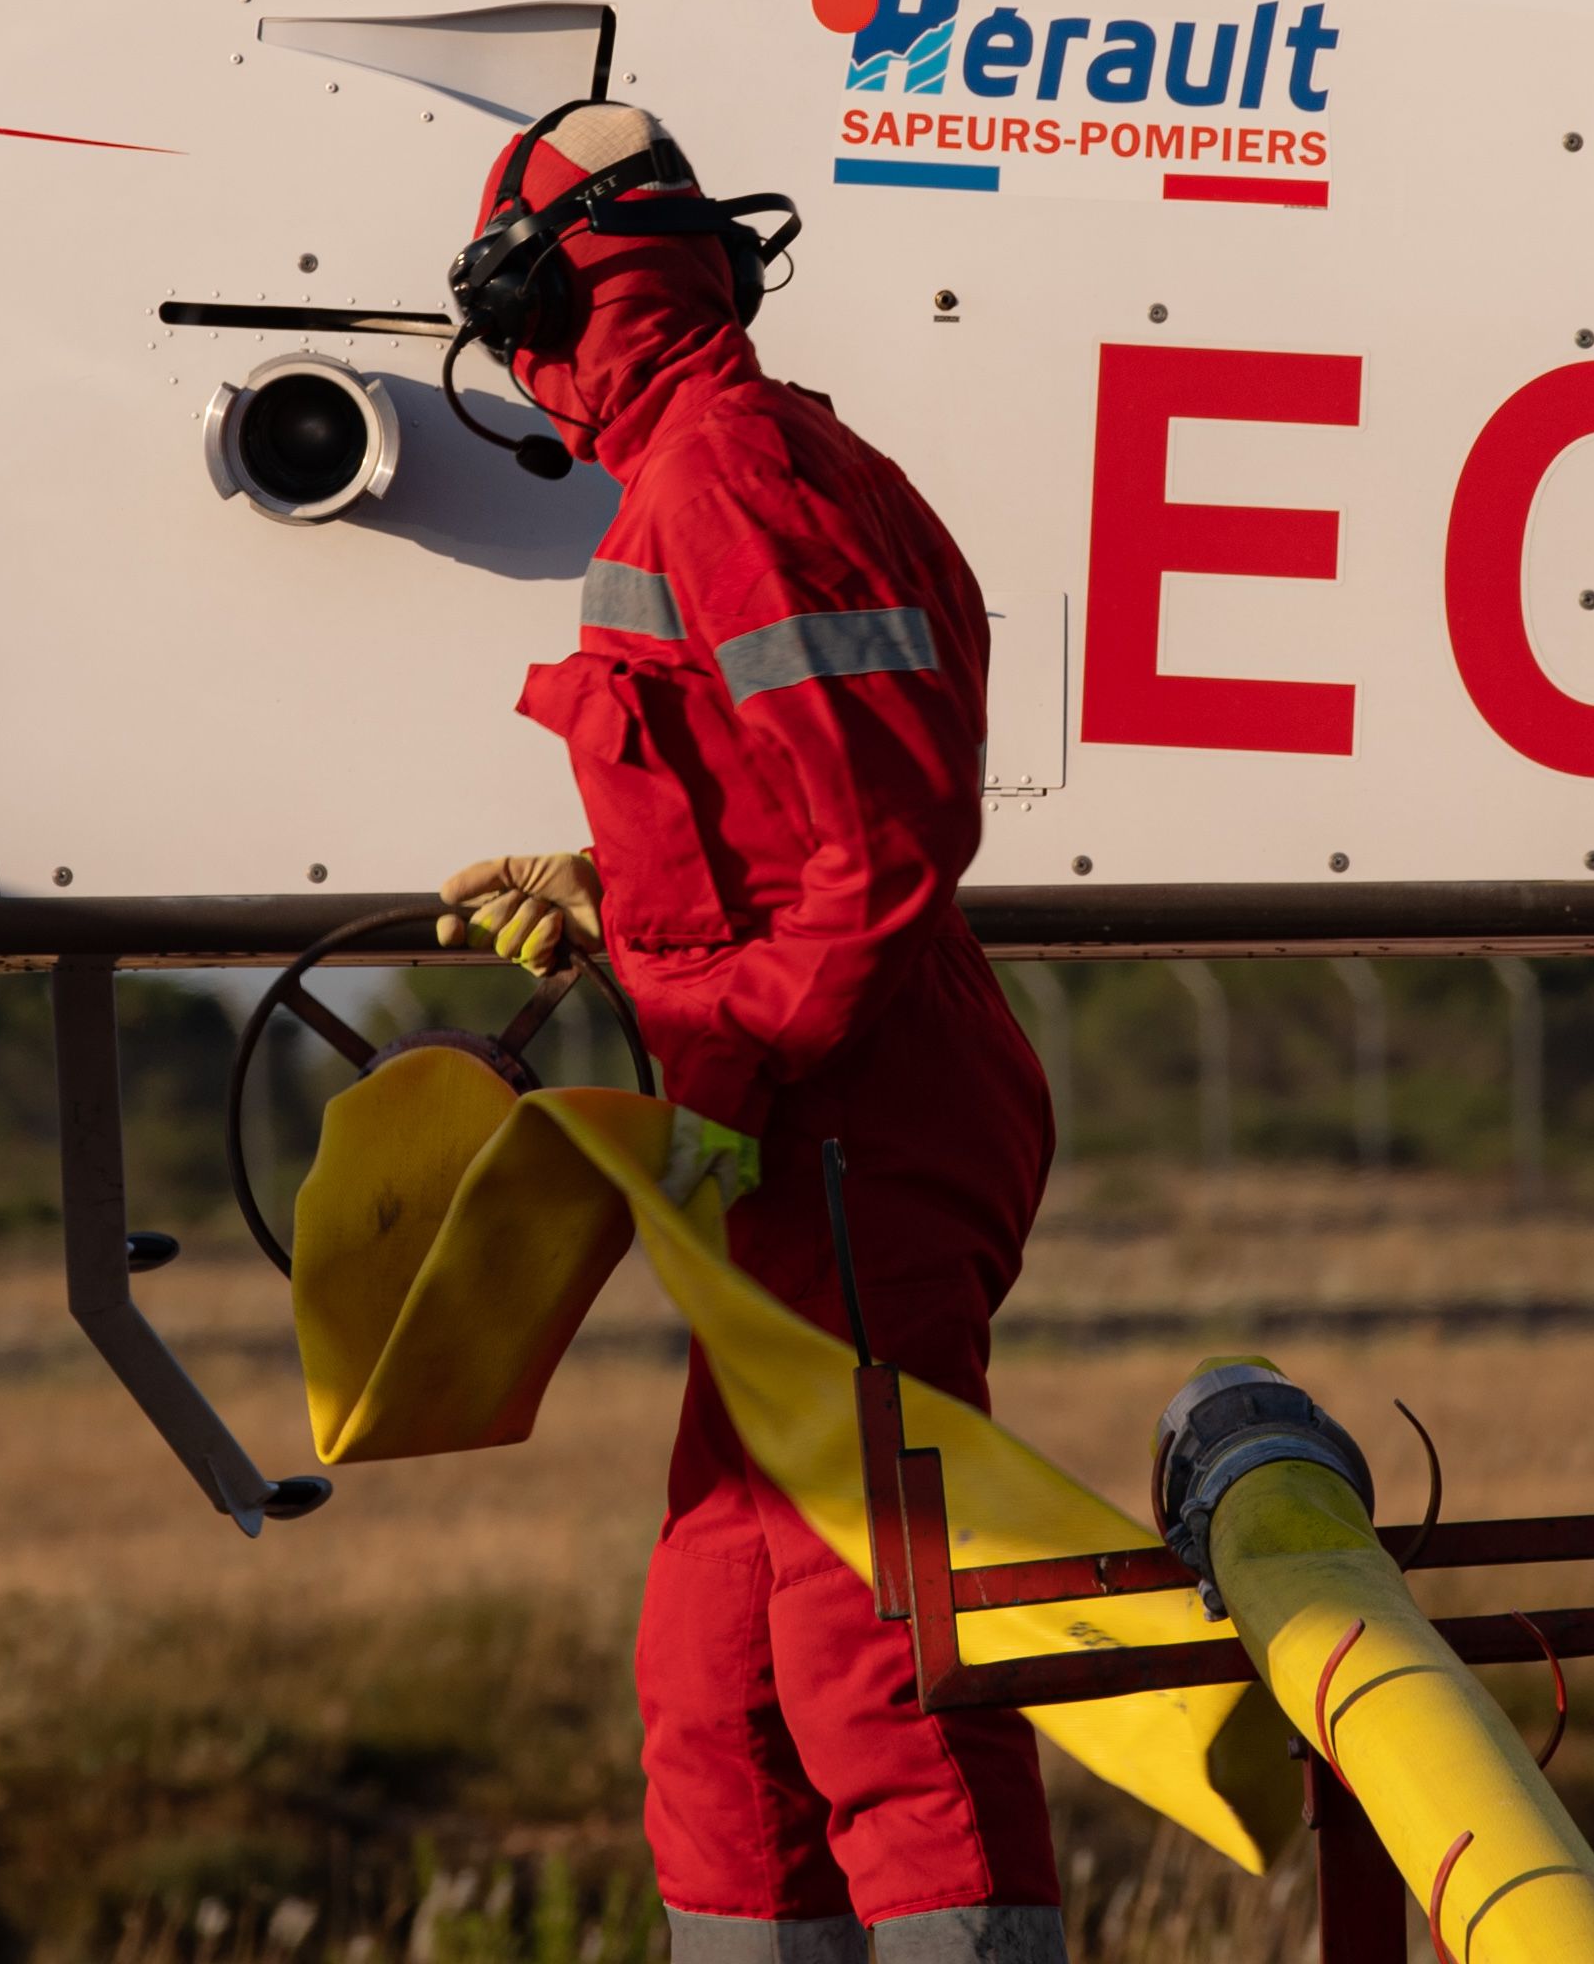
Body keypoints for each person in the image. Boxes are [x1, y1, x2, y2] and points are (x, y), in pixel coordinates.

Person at [432, 103, 1066, 1964]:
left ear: (546, 307)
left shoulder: (724, 476)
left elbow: (875, 843)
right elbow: (773, 815)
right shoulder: (721, 466)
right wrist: (609, 892)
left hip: (850, 1117)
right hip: (817, 1116)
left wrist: (712, 1070)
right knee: (715, 1681)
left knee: (870, 1654)